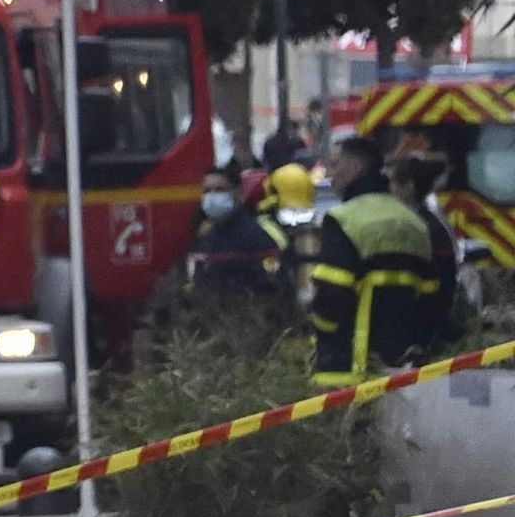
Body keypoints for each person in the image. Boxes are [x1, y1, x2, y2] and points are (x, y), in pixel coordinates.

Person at [311, 151, 451, 378]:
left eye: (335, 164)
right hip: (401, 367)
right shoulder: (418, 226)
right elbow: (433, 301)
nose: (330, 173)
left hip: (346, 368)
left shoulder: (344, 219)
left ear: (355, 168)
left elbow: (331, 294)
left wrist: (322, 330)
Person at [181, 168, 286, 306]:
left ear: (237, 192)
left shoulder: (255, 237)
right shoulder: (205, 238)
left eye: (219, 190)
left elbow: (272, 291)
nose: (212, 197)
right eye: (206, 191)